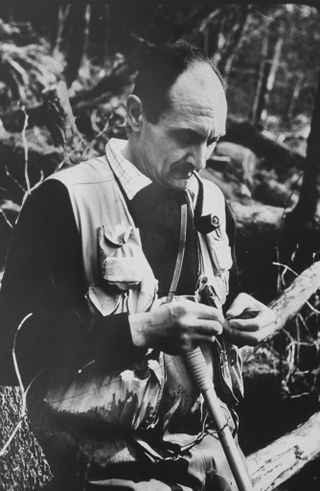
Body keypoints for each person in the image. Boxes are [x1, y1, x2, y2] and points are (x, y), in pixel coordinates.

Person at [0, 42, 275, 490]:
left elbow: (228, 297)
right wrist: (137, 331)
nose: (201, 161)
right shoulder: (61, 202)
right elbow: (10, 351)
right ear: (134, 115)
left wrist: (244, 317)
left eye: (213, 141)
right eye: (185, 137)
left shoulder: (214, 202)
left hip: (212, 454)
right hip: (99, 466)